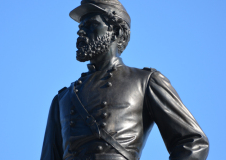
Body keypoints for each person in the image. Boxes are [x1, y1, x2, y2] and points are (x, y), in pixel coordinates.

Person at [41, 0, 209, 160]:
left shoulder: (144, 82)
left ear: (117, 32)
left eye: (91, 25)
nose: (81, 32)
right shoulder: (62, 99)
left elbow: (193, 141)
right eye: (80, 26)